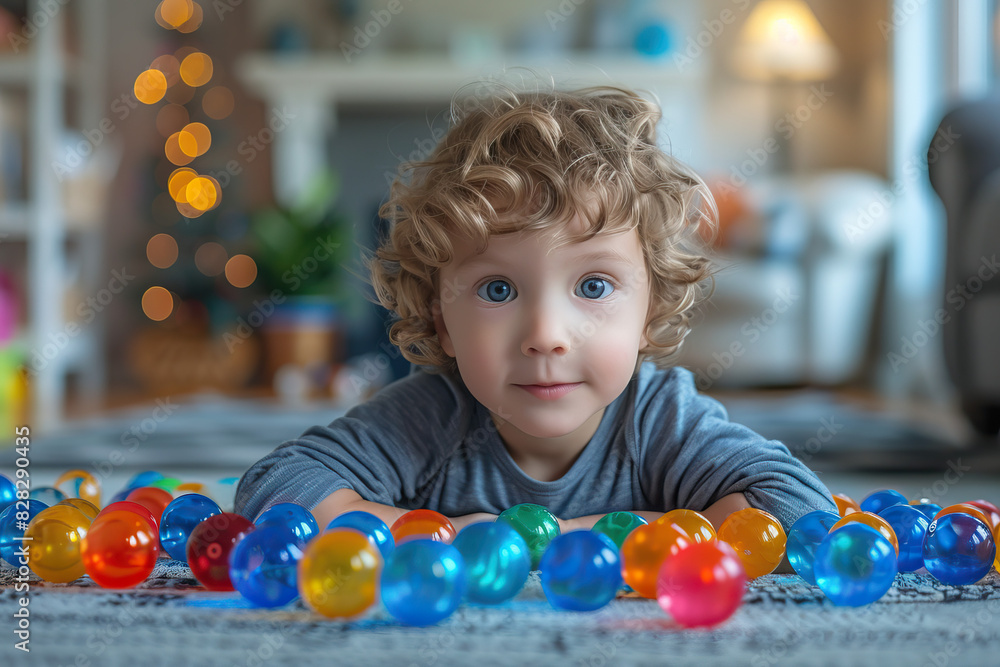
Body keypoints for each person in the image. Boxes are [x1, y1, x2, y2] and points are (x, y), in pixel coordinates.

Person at [234, 84, 835, 534]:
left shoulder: (658, 419)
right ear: (442, 322)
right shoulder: (433, 415)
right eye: (497, 290)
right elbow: (276, 489)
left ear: (649, 310)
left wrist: (580, 536)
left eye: (593, 286)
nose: (546, 336)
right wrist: (439, 535)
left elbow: (796, 508)